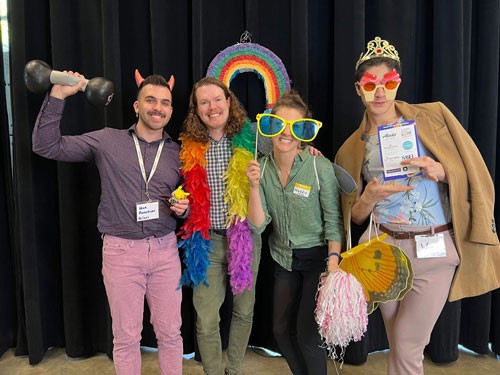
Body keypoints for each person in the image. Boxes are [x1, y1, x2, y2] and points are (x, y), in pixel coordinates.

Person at [335, 36, 500, 375]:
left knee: (409, 346)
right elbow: (352, 216)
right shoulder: (352, 148)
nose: (380, 92)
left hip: (433, 250)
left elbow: (473, 172)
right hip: (382, 253)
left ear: (399, 84)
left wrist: (440, 171)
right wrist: (367, 200)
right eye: (370, 84)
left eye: (388, 82)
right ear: (358, 89)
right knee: (400, 344)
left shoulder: (433, 119)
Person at [32, 72, 188, 375]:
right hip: (121, 252)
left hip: (165, 252)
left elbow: (189, 204)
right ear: (136, 106)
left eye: (165, 103)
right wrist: (58, 97)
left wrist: (184, 209)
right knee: (127, 337)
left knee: (171, 334)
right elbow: (46, 146)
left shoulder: (179, 153)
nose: (158, 108)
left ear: (171, 110)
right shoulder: (107, 140)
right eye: (151, 100)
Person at [246, 90, 344, 375]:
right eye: (279, 125)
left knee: (308, 337)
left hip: (317, 260)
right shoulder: (262, 169)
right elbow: (258, 224)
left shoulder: (319, 167)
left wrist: (333, 267)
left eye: (295, 127)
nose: (285, 133)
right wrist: (253, 187)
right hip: (283, 259)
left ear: (303, 132)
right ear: (270, 127)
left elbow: (334, 221)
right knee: (279, 330)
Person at [177, 76, 262, 375]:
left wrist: (310, 150)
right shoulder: (188, 146)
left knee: (244, 310)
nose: (212, 107)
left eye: (217, 99)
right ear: (197, 110)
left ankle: (234, 370)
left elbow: (287, 147)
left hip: (246, 237)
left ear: (229, 101)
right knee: (206, 318)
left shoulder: (252, 136)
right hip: (206, 241)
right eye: (204, 102)